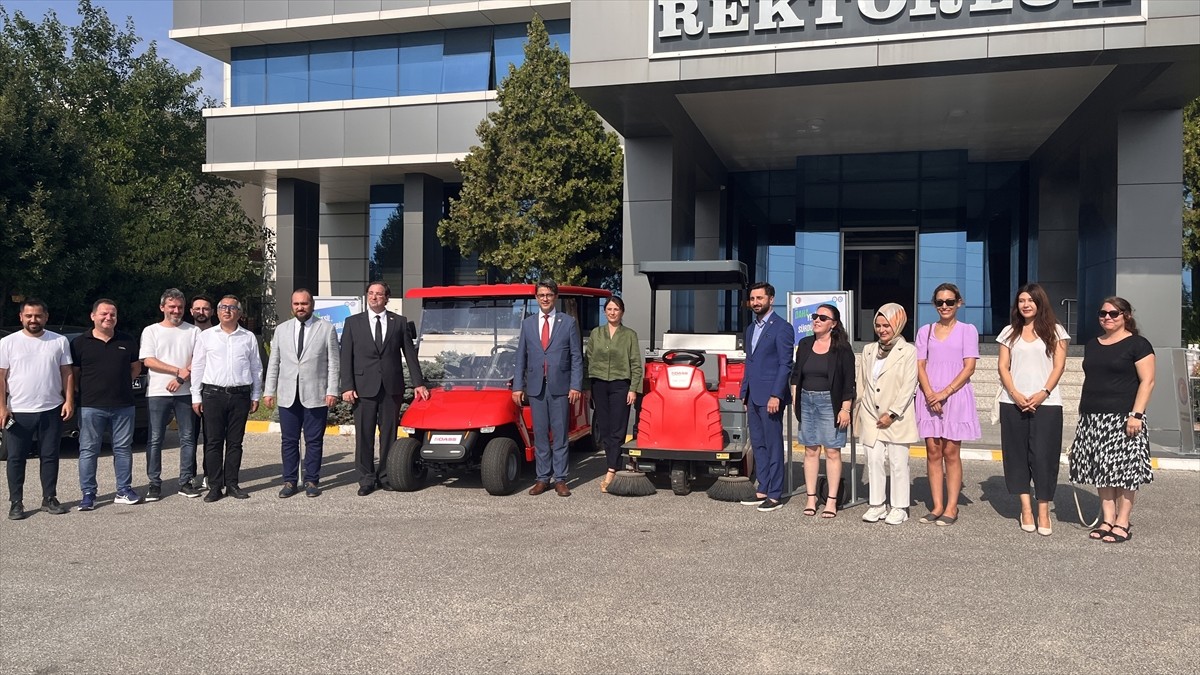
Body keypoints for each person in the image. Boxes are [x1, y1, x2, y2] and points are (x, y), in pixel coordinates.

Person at [1068, 297, 1154, 544]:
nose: (1107, 317)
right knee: (1101, 470)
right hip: (1093, 416)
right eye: (1102, 313)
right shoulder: (1093, 344)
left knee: (1125, 471)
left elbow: (1147, 381)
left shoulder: (1138, 344)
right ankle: (1107, 519)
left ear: (1125, 315)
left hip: (1125, 417)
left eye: (1113, 313)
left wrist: (1136, 414)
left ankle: (1122, 522)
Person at [340, 281, 429, 496]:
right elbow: (346, 357)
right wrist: (347, 386)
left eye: (379, 294)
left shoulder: (399, 322)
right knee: (365, 435)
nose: (374, 297)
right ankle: (366, 479)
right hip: (363, 388)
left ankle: (386, 476)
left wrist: (418, 383)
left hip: (391, 387)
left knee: (388, 433)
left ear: (386, 298)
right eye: (370, 294)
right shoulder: (353, 323)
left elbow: (410, 354)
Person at [997, 284, 1069, 536]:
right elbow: (1003, 366)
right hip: (1012, 402)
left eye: (1030, 300)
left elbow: (1058, 366)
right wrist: (1015, 394)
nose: (1025, 304)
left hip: (1046, 403)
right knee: (1016, 455)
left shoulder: (1056, 331)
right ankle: (1025, 509)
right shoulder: (1009, 332)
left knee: (1043, 457)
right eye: (1021, 301)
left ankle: (1043, 510)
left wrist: (1043, 393)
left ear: (1040, 302)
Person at [0, 299, 74, 520]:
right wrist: (2, 407)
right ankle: (16, 502)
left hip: (51, 409)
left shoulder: (59, 341)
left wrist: (68, 400)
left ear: (46, 317)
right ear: (21, 317)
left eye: (38, 315)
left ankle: (49, 498)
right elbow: (1, 378)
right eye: (29, 316)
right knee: (15, 458)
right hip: (18, 411)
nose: (34, 320)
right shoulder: (8, 343)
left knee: (50, 456)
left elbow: (67, 373)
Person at [264, 289, 340, 498]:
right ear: (292, 306)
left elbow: (334, 363)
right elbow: (274, 363)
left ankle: (312, 481)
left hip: (316, 394)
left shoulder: (326, 329)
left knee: (314, 441)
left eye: (304, 304)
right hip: (288, 394)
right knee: (288, 440)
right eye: (296, 304)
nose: (300, 307)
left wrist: (332, 390)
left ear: (312, 305)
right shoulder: (281, 330)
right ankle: (289, 481)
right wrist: (269, 391)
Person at [915, 283, 980, 526]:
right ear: (934, 304)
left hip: (955, 394)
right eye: (940, 302)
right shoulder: (926, 331)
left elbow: (969, 367)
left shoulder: (968, 330)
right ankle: (937, 504)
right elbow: (920, 365)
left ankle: (952, 506)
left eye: (949, 302)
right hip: (929, 394)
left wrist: (944, 393)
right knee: (933, 451)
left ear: (958, 303)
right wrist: (931, 394)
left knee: (951, 451)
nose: (945, 306)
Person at [513, 279, 583, 497]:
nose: (545, 299)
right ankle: (542, 478)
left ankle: (560, 479)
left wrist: (575, 385)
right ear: (536, 298)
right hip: (535, 388)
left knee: (560, 434)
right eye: (541, 295)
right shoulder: (527, 324)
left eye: (549, 295)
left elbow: (576, 357)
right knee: (541, 435)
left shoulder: (568, 322)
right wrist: (518, 386)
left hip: (560, 387)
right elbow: (521, 357)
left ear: (555, 297)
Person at [71, 299, 143, 511]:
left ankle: (123, 490)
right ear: (93, 316)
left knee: (122, 449)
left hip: (123, 405)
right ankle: (88, 494)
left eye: (112, 314)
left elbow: (135, 368)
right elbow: (73, 375)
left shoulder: (127, 340)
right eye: (103, 314)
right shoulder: (79, 343)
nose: (108, 317)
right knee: (88, 450)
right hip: (91, 406)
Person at [190, 296, 263, 503]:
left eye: (232, 308)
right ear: (217, 312)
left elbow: (256, 368)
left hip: (240, 395)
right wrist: (196, 396)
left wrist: (255, 394)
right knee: (213, 442)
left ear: (239, 313)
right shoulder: (206, 336)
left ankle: (232, 483)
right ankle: (214, 486)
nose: (227, 311)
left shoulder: (248, 337)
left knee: (235, 443)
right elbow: (198, 367)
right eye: (223, 307)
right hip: (213, 395)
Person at [856, 303, 918, 525]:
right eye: (879, 325)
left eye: (887, 325)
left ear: (898, 325)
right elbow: (863, 382)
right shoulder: (869, 350)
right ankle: (877, 504)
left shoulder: (909, 351)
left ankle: (900, 506)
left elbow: (909, 386)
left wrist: (892, 413)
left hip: (896, 417)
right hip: (871, 414)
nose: (882, 330)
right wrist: (861, 408)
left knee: (898, 462)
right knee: (873, 461)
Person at [791, 303, 855, 518]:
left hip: (830, 402)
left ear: (833, 324)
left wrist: (845, 408)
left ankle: (831, 500)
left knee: (832, 451)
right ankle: (811, 498)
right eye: (815, 316)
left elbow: (849, 381)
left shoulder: (842, 348)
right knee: (810, 450)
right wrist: (795, 398)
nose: (816, 320)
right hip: (807, 400)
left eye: (822, 317)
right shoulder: (805, 343)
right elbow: (796, 373)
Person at [140, 288, 202, 500]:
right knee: (155, 439)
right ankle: (154, 483)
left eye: (180, 307)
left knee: (187, 438)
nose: (176, 311)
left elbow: (199, 359)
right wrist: (178, 372)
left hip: (186, 393)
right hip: (158, 392)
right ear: (162, 308)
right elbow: (148, 360)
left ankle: (185, 481)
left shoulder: (194, 331)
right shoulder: (151, 331)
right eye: (172, 307)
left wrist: (182, 379)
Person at [738, 282, 794, 512]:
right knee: (758, 445)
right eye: (752, 299)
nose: (755, 302)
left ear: (771, 299)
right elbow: (749, 364)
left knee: (772, 445)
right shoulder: (751, 329)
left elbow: (785, 364)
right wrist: (744, 392)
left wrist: (776, 395)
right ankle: (762, 488)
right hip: (752, 395)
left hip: (771, 397)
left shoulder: (782, 327)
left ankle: (775, 494)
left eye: (760, 298)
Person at [586, 296, 643, 493]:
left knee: (619, 428)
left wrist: (633, 388)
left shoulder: (629, 335)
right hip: (599, 383)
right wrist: (587, 387)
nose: (612, 312)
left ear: (622, 312)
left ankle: (612, 469)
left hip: (621, 385)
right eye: (609, 309)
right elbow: (588, 360)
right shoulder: (596, 333)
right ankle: (614, 464)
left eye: (616, 309)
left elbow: (636, 363)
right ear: (604, 312)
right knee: (606, 427)